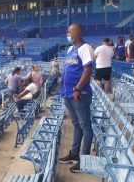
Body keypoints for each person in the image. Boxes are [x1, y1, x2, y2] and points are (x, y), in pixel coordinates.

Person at [58, 23, 94, 173]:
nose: (68, 34)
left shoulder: (85, 48)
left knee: (86, 127)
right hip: (67, 93)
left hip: (79, 94)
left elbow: (87, 70)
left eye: (70, 32)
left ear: (78, 33)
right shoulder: (71, 49)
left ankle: (84, 161)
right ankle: (74, 154)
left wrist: (77, 88)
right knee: (76, 124)